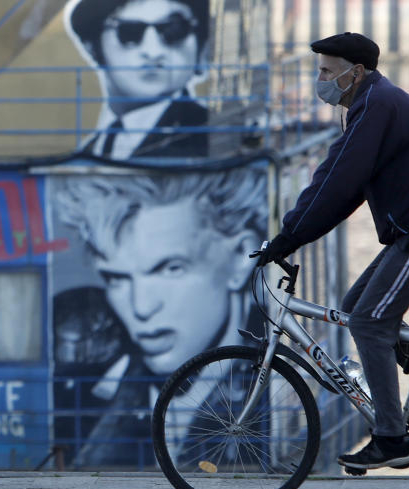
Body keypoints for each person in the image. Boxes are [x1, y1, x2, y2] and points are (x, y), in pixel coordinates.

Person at [258, 32, 409, 471]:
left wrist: (288, 236)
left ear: (354, 73)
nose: (319, 79)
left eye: (326, 71)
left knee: (369, 322)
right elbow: (346, 190)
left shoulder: (376, 107)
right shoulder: (371, 105)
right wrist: (295, 235)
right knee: (357, 306)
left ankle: (391, 437)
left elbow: (336, 178)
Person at [52, 169, 265, 466]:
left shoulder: (275, 387)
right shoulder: (95, 389)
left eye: (170, 269)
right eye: (117, 279)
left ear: (242, 257)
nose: (141, 308)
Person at [65, 0, 209, 160]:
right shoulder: (95, 146)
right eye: (130, 32)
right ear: (93, 48)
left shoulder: (206, 135)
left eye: (173, 30)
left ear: (200, 47)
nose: (152, 51)